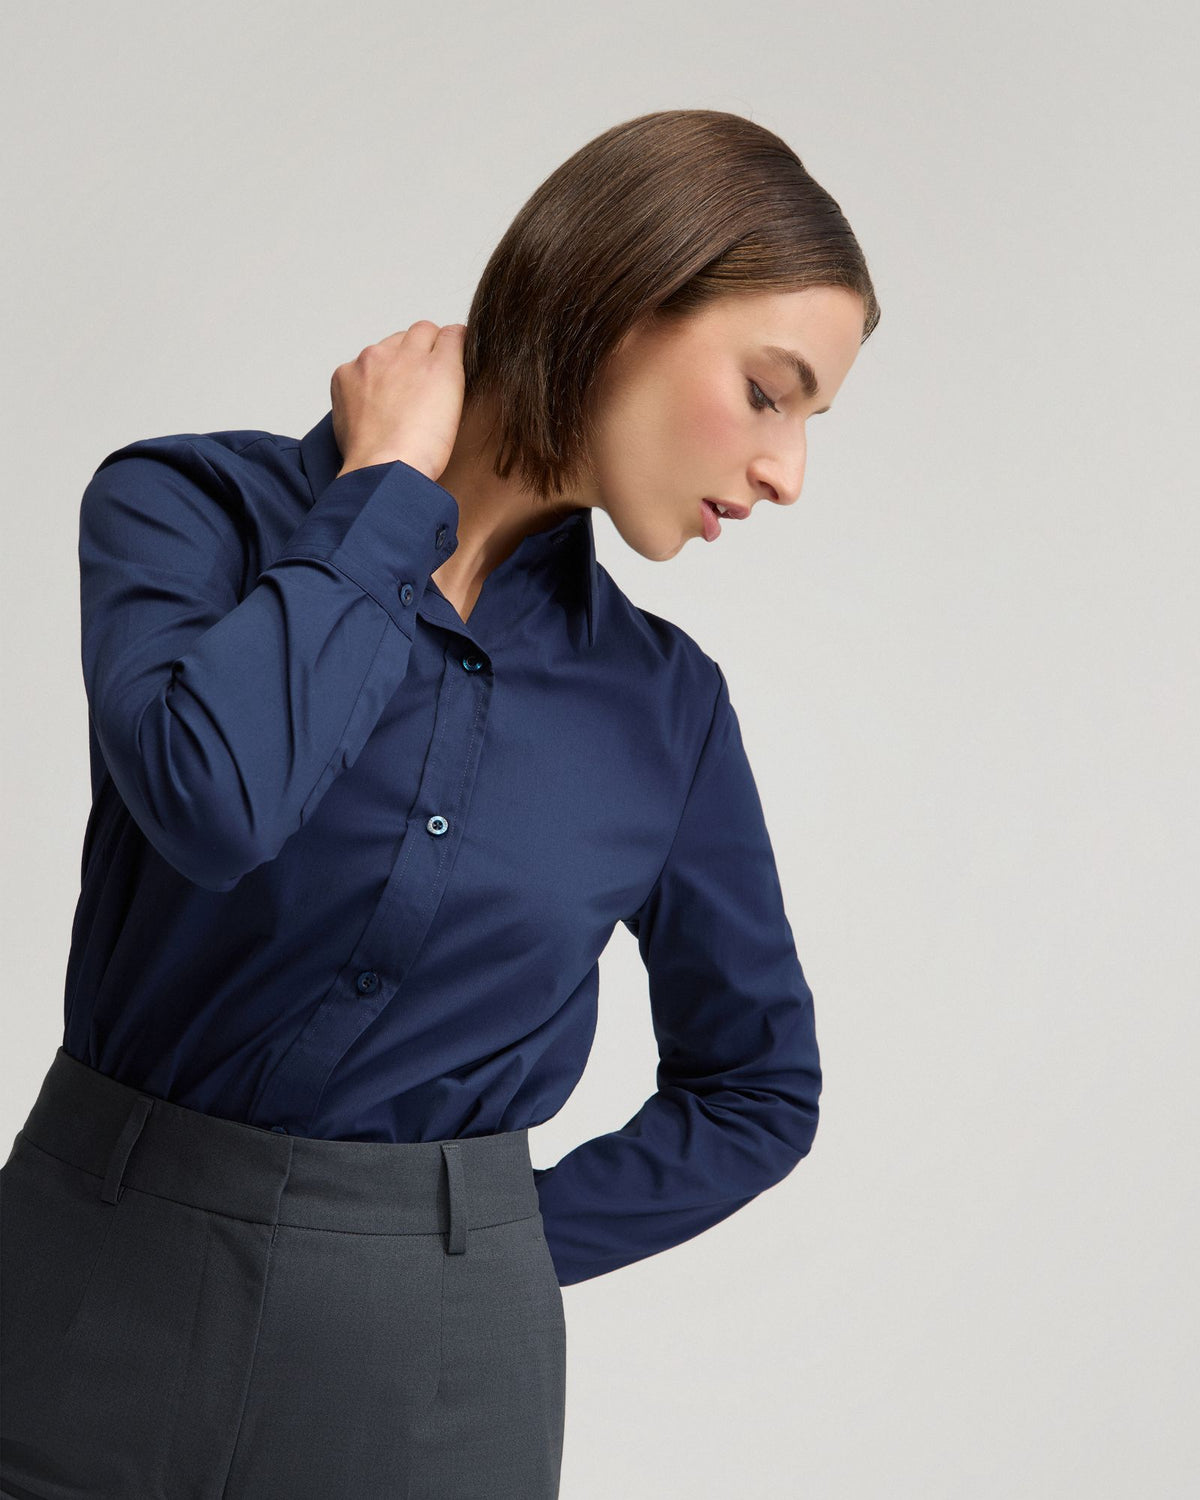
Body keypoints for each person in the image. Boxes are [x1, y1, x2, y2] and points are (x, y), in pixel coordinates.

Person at [0, 108, 879, 1498]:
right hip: (84, 1308)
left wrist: (476, 1247)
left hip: (435, 1386)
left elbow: (758, 1088)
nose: (789, 474)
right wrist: (385, 494)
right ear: (620, 305)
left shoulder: (665, 709)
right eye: (772, 394)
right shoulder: (192, 511)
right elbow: (214, 801)